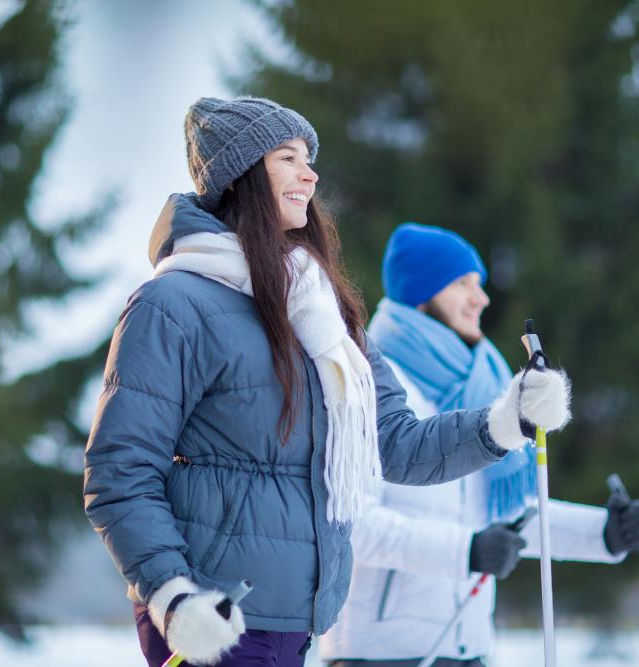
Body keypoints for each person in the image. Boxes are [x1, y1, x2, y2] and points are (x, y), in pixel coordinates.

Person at [83, 98, 572, 667]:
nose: (309, 173)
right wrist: (172, 595)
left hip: (298, 619)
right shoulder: (173, 304)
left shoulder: (324, 314)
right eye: (287, 157)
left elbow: (398, 445)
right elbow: (119, 472)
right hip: (209, 619)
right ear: (240, 176)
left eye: (309, 159)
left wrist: (508, 420)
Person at [319, 223, 639, 667]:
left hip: (468, 647)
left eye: (478, 284)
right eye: (462, 284)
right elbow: (352, 526)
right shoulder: (371, 385)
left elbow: (506, 518)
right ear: (420, 294)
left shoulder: (481, 386)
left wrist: (605, 534)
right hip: (383, 654)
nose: (481, 298)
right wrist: (467, 551)